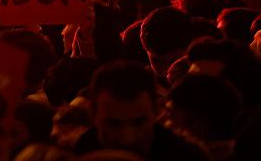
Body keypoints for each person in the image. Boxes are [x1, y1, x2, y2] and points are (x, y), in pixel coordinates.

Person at [72, 61, 208, 160]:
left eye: (139, 122)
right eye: (113, 124)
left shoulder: (188, 157)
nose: (128, 138)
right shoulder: (71, 154)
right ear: (92, 113)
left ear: (157, 110)